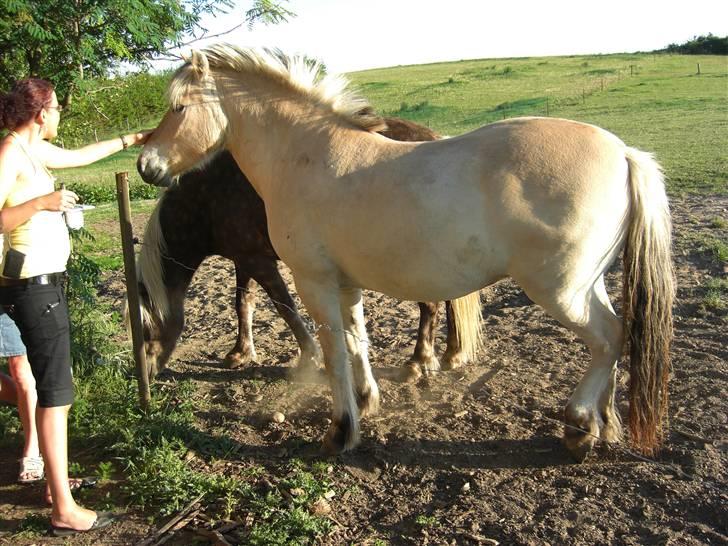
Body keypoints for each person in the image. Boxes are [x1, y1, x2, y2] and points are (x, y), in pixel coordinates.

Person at [0, 77, 151, 536]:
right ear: (41, 113)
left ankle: (55, 483)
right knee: (56, 393)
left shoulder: (30, 151)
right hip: (33, 287)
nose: (61, 114)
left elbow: (81, 156)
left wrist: (135, 139)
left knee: (51, 389)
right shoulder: (9, 153)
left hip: (35, 283)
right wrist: (43, 202)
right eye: (58, 107)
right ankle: (63, 506)